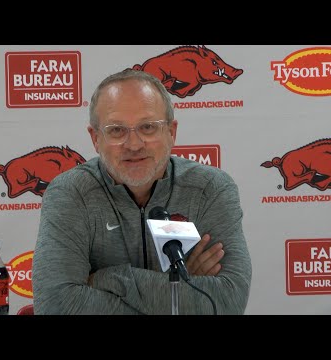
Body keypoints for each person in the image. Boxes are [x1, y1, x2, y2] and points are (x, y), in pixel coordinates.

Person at [32, 69, 252, 315]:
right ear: (95, 138)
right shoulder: (71, 194)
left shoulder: (210, 189)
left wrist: (107, 280)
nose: (134, 145)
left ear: (171, 132)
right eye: (116, 130)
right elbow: (57, 306)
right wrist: (181, 285)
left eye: (148, 127)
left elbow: (227, 302)